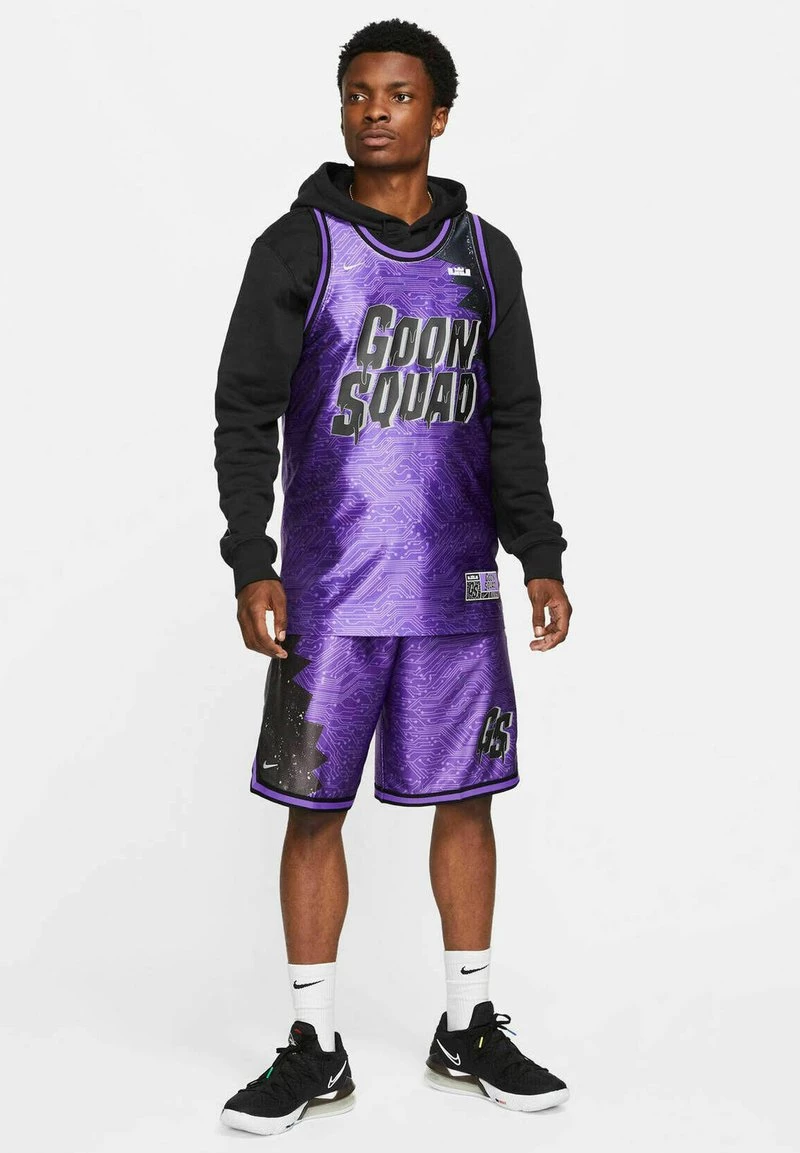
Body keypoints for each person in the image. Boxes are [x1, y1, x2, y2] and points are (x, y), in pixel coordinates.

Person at [213, 17, 572, 1137]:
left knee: (468, 799)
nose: (375, 110)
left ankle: (466, 1024)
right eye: (358, 92)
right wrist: (252, 560)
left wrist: (540, 553)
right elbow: (243, 412)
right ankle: (312, 1043)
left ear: (438, 114)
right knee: (310, 809)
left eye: (399, 93)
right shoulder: (296, 247)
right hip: (327, 594)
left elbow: (513, 416)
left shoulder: (485, 254)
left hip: (456, 591)